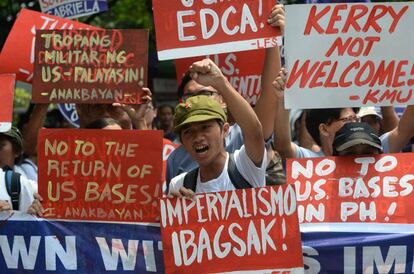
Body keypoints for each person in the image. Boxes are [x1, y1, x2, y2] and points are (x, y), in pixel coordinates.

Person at [166, 4, 285, 186]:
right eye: (189, 96)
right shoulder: (176, 165)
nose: (198, 101)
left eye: (206, 92)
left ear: (225, 128)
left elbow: (265, 106)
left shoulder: (241, 140)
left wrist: (272, 40)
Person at [168, 59, 267, 196]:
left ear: (225, 130)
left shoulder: (244, 166)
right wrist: (180, 211)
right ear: (182, 141)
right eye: (189, 131)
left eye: (205, 127)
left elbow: (255, 131)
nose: (198, 137)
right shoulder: (179, 185)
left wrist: (220, 82)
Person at [272, 68, 414, 159]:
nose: (355, 124)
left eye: (356, 118)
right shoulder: (312, 163)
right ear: (324, 128)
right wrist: (284, 99)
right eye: (348, 119)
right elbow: (283, 147)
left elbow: (405, 129)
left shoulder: (376, 147)